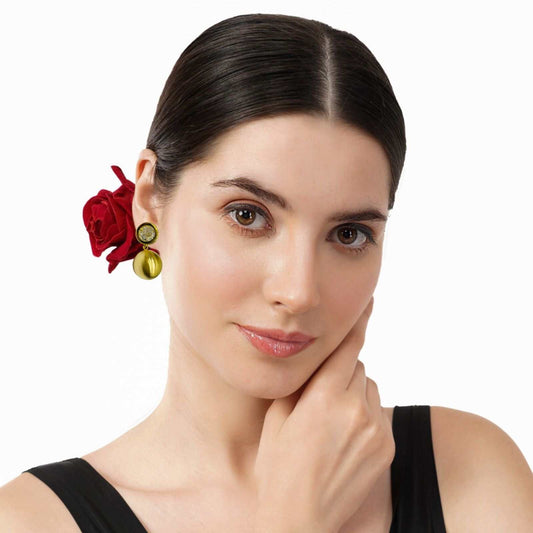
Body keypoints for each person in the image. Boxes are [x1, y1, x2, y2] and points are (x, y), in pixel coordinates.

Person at [1, 12, 532, 533]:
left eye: (349, 233)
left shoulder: (470, 470)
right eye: (248, 215)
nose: (298, 292)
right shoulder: (30, 521)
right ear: (149, 202)